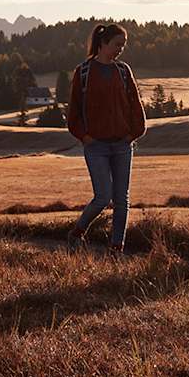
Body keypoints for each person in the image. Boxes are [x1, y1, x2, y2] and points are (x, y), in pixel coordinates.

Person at [65, 23, 146, 254]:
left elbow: (135, 104)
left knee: (122, 200)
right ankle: (77, 232)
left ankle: (116, 248)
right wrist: (84, 136)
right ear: (103, 43)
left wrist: (135, 132)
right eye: (117, 44)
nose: (121, 49)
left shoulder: (123, 71)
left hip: (122, 144)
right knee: (102, 197)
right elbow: (74, 111)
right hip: (96, 146)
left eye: (123, 45)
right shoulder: (83, 72)